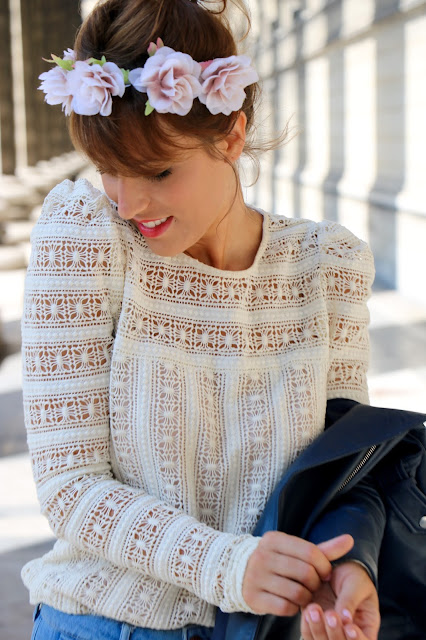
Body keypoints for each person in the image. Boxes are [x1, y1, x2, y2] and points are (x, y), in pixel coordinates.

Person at [23, 1, 382, 639]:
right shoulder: (84, 233)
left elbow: (347, 468)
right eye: (110, 170)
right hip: (106, 624)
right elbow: (69, 484)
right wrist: (228, 564)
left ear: (232, 136)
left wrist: (349, 564)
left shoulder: (329, 264)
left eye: (158, 171)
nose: (129, 203)